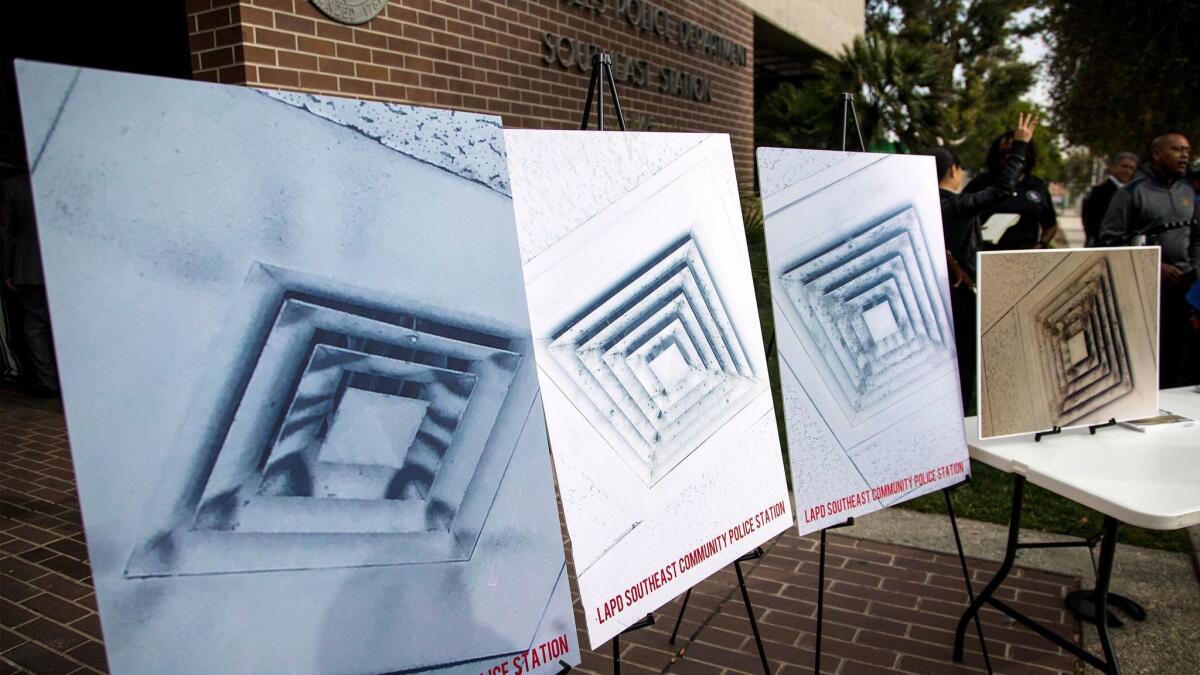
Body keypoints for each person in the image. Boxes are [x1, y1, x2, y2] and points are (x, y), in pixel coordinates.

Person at [932, 113, 1039, 411]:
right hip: (961, 295)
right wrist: (1020, 147)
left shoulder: (923, 202)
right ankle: (959, 423)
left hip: (935, 294)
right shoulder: (954, 205)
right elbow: (1003, 190)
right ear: (953, 169)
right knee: (964, 365)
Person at [1100, 133, 1199, 387]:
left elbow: (1196, 237)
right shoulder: (1132, 193)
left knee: (1180, 360)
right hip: (1144, 290)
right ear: (1157, 154)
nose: (1185, 155)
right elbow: (1109, 241)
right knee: (1146, 361)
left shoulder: (1187, 191)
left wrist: (1194, 269)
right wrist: (1155, 267)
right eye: (1177, 149)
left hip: (1184, 290)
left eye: (1187, 150)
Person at [1, 172, 59, 397]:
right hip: (62, 267)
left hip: (29, 266)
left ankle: (47, 381)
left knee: (36, 325)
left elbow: (5, 231)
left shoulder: (13, 185)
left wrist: (7, 269)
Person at [964, 127, 1057, 250]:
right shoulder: (980, 183)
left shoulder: (1038, 186)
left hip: (1025, 259)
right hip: (985, 257)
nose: (1008, 158)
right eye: (1003, 153)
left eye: (1014, 152)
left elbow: (1050, 225)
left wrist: (1041, 244)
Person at [1081, 152, 1139, 247]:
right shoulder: (1098, 192)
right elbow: (1091, 222)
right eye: (1124, 166)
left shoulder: (1134, 193)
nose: (1127, 171)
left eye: (1131, 168)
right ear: (1113, 167)